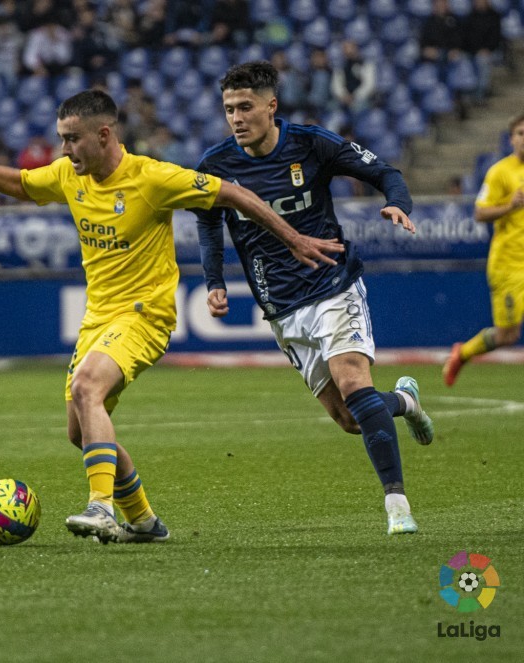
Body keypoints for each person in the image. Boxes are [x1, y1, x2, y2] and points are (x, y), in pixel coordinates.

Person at [0, 88, 343, 544]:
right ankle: (146, 522)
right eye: (61, 139)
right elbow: (23, 184)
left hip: (145, 315)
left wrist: (294, 239)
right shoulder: (72, 176)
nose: (64, 150)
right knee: (81, 430)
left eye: (72, 139)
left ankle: (101, 507)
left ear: (104, 135)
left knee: (86, 386)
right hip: (99, 319)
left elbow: (236, 195)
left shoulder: (152, 179)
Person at [193, 61, 435, 536]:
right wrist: (214, 279)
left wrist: (398, 203)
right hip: (280, 305)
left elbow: (385, 171)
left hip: (332, 284)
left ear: (271, 106)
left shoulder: (311, 143)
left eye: (245, 107)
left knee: (352, 383)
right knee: (349, 419)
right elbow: (207, 221)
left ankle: (398, 506)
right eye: (229, 109)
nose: (237, 118)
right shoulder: (216, 165)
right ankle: (405, 402)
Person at [443, 112, 524, 386]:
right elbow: (479, 214)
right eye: (520, 134)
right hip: (509, 265)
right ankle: (462, 353)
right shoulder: (500, 172)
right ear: (511, 139)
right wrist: (510, 206)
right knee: (507, 336)